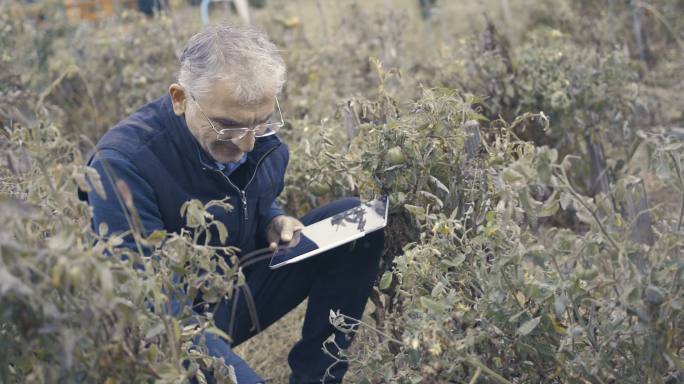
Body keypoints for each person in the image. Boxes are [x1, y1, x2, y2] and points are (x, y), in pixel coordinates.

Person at [79, 23, 384, 384]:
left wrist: (272, 217)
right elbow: (148, 302)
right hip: (155, 330)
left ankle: (318, 376)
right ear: (180, 99)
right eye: (227, 126)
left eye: (261, 122)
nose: (248, 144)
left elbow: (247, 192)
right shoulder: (123, 164)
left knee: (353, 222)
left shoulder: (252, 132)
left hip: (227, 297)